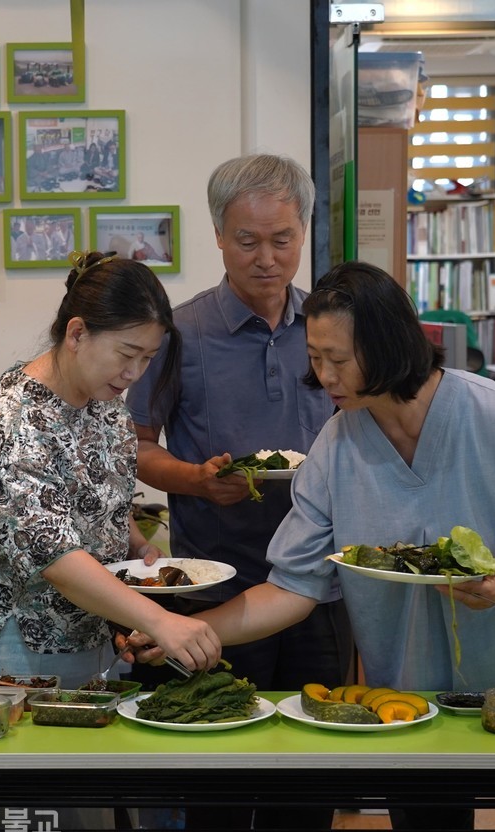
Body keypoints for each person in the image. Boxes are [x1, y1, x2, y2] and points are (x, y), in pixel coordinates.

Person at [144, 260, 495, 831]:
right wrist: (183, 630)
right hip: (414, 696)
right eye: (314, 358)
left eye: (338, 359)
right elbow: (292, 587)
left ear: (387, 346)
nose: (324, 375)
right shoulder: (336, 447)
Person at [126, 153, 351, 694]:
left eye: (283, 239)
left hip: (320, 582)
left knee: (316, 731)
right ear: (219, 237)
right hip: (213, 587)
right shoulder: (180, 333)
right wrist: (196, 480)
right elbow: (135, 447)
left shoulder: (330, 330)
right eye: (247, 241)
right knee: (216, 732)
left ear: (304, 232)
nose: (266, 259)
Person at [0, 251, 222, 687]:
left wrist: (134, 544)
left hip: (95, 631)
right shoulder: (13, 422)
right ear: (77, 333)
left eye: (148, 358)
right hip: (18, 645)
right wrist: (159, 620)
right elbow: (55, 557)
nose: (134, 373)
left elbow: (95, 493)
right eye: (127, 353)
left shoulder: (106, 405)